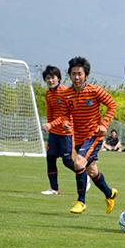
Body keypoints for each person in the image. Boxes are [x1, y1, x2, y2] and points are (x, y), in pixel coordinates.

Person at [46, 57, 118, 214]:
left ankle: (81, 201)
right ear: (69, 75)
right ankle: (109, 193)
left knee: (78, 164)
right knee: (92, 172)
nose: (76, 77)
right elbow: (65, 115)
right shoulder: (66, 94)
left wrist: (104, 124)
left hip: (94, 135)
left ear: (86, 75)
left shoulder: (95, 90)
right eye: (73, 74)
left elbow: (112, 105)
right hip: (78, 138)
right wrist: (65, 123)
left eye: (79, 74)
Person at [40, 65, 74, 195]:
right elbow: (50, 112)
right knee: (50, 158)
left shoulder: (65, 92)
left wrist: (51, 124)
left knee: (67, 161)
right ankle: (54, 188)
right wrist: (50, 127)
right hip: (54, 133)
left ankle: (84, 175)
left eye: (53, 77)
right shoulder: (48, 94)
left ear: (59, 78)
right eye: (48, 78)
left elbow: (64, 114)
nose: (50, 80)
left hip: (66, 133)